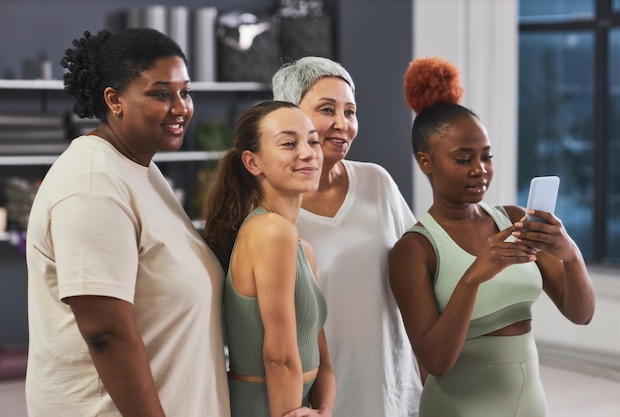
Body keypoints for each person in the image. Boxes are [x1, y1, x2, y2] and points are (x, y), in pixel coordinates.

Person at [25, 28, 230, 417]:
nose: (181, 107)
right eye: (161, 93)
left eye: (185, 92)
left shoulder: (140, 170)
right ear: (114, 100)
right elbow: (106, 334)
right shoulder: (93, 186)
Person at [389, 56, 596, 417]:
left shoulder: (515, 220)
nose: (480, 170)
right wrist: (474, 277)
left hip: (530, 403)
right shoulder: (414, 249)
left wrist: (571, 255)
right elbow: (436, 361)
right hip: (459, 407)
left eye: (487, 156)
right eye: (463, 158)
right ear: (426, 162)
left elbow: (581, 314)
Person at [272, 56, 422, 416]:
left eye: (350, 111)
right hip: (320, 401)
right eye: (327, 109)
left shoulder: (376, 182)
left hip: (392, 389)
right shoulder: (273, 213)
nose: (343, 124)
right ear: (289, 115)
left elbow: (424, 273)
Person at [202, 100, 335, 417]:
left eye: (313, 141)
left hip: (299, 408)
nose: (307, 152)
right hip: (267, 408)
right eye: (289, 143)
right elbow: (280, 357)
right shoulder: (270, 231)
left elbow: (322, 358)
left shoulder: (302, 246)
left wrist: (324, 410)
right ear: (253, 162)